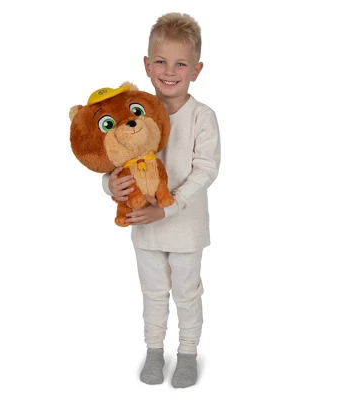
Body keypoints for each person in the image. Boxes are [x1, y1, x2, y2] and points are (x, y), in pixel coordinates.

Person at [102, 12, 221, 388]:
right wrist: (111, 186)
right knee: (152, 293)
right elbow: (113, 158)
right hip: (145, 227)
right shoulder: (132, 114)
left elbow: (205, 170)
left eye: (181, 64)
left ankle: (187, 352)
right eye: (161, 62)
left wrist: (168, 207)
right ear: (147, 65)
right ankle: (154, 350)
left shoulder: (202, 117)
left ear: (196, 70)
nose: (170, 71)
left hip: (186, 229)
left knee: (187, 293)